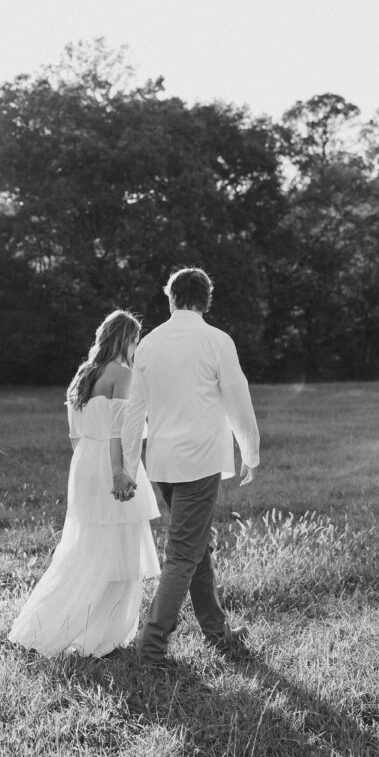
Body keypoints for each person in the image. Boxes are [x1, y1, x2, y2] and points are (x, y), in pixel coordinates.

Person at [119, 267, 260, 665]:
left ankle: (216, 631)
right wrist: (250, 452)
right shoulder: (217, 340)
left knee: (196, 545)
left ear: (171, 299)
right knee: (183, 553)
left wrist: (129, 465)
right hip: (199, 461)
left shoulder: (149, 344)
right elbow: (238, 399)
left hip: (163, 463)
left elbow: (134, 412)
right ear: (206, 300)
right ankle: (152, 648)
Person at [8, 309, 160, 658]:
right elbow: (120, 432)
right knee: (118, 554)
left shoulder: (83, 374)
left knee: (86, 550)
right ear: (126, 339)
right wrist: (120, 473)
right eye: (136, 340)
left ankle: (51, 625)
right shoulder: (122, 373)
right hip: (112, 463)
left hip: (85, 463)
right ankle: (98, 635)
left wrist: (90, 465)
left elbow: (75, 435)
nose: (136, 348)